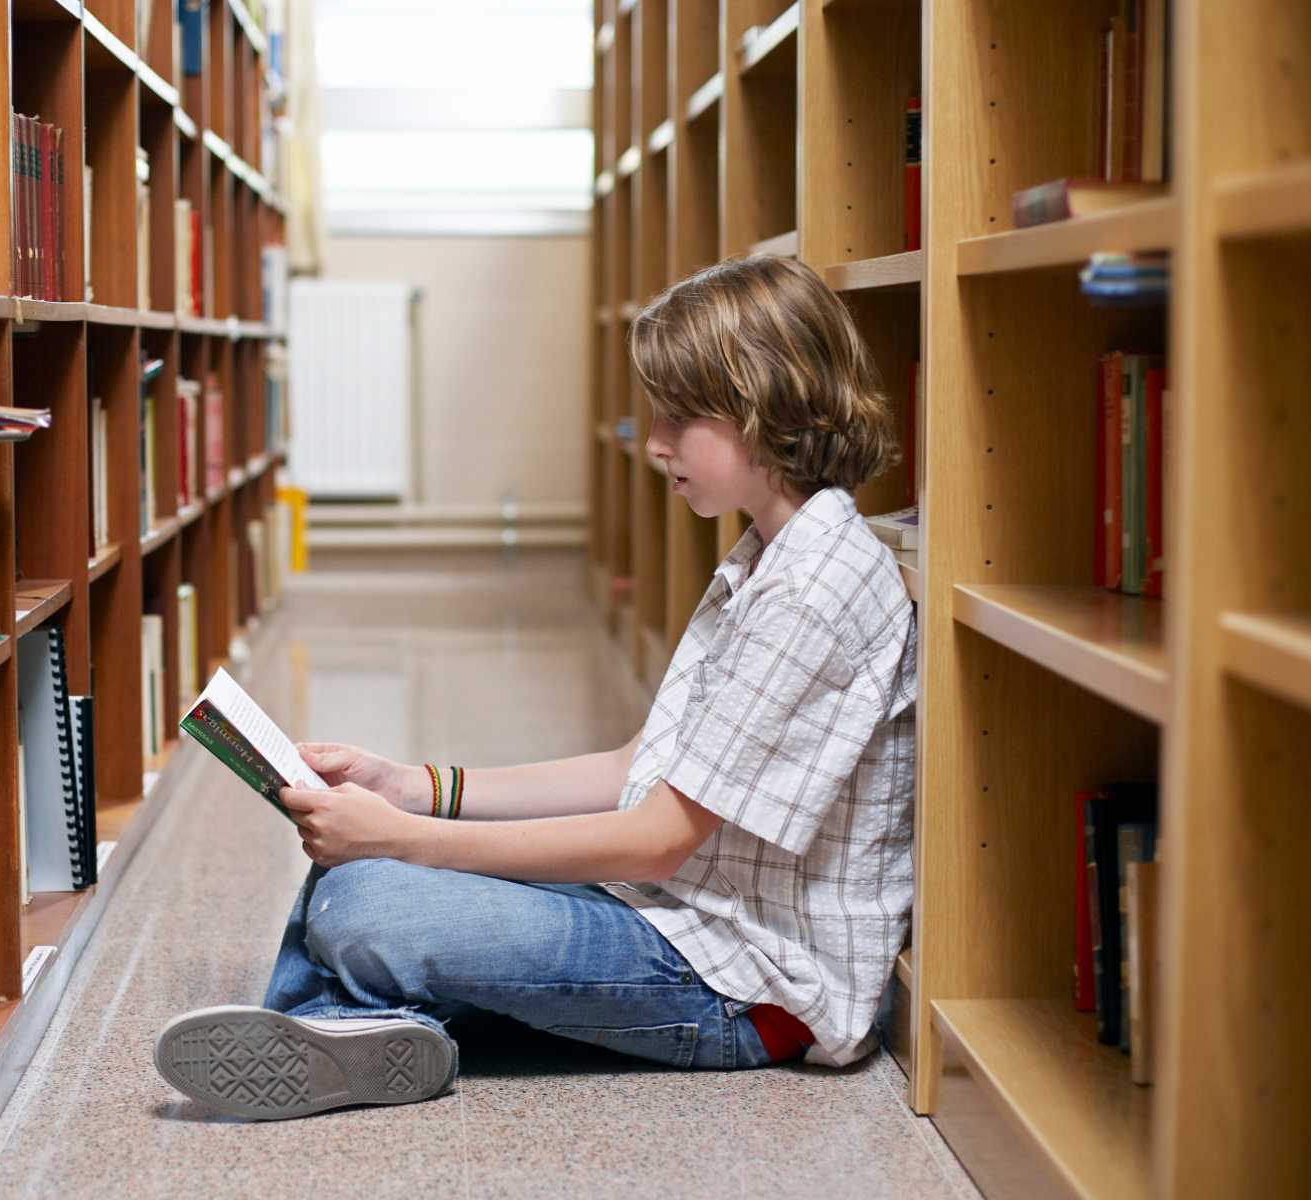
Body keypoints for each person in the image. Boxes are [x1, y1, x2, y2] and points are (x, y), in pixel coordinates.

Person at [153, 255, 918, 1120]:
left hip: (748, 986)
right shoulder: (770, 558)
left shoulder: (814, 594)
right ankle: (348, 1032)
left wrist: (405, 837)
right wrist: (416, 788)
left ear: (766, 409)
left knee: (368, 897)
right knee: (354, 881)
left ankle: (338, 1027)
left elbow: (655, 839)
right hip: (683, 912)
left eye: (680, 416)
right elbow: (641, 765)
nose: (656, 441)